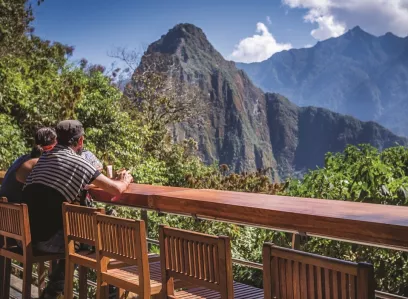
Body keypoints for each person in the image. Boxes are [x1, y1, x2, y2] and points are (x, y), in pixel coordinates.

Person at [22, 120, 133, 299]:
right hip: (47, 241)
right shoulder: (79, 162)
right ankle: (112, 294)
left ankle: (52, 291)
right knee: (104, 235)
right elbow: (116, 189)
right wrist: (125, 179)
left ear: (57, 139)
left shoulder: (43, 159)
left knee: (76, 238)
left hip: (27, 237)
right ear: (80, 141)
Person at [0, 127, 57, 203]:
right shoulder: (37, 163)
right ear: (51, 147)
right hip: (15, 211)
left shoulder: (23, 158)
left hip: (4, 208)